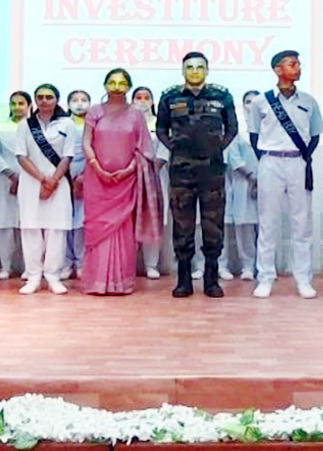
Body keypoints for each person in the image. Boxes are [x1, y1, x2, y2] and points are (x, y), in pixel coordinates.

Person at [156, 52, 237, 298]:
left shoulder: (222, 96)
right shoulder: (170, 97)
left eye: (199, 67)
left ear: (207, 70)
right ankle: (184, 280)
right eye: (189, 67)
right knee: (182, 225)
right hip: (181, 172)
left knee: (213, 225)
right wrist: (175, 148)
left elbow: (232, 128)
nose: (194, 71)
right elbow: (161, 128)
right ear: (183, 71)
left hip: (212, 171)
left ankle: (212, 280)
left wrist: (216, 148)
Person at [249, 50, 323, 299]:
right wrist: (268, 158)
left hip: (297, 162)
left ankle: (303, 278)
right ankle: (265, 278)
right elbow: (254, 136)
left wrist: (302, 157)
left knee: (301, 223)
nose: (298, 68)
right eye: (292, 64)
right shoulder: (261, 102)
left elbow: (315, 135)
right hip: (270, 161)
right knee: (267, 222)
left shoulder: (309, 101)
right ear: (278, 69)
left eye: (299, 64)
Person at [81, 68, 162, 295]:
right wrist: (97, 167)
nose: (116, 88)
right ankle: (97, 281)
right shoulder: (94, 112)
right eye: (112, 83)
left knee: (123, 231)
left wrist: (129, 170)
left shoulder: (136, 115)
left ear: (128, 87)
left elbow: (144, 148)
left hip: (126, 183)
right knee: (98, 230)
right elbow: (86, 142)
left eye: (122, 83)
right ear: (105, 85)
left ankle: (120, 282)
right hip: (97, 180)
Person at [15, 84, 76, 295]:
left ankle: (53, 276)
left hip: (58, 183)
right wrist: (42, 179)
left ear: (56, 100)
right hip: (31, 182)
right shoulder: (25, 125)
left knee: (56, 230)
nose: (44, 101)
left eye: (49, 97)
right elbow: (21, 156)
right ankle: (33, 276)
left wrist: (53, 181)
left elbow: (68, 156)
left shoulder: (67, 124)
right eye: (40, 97)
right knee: (30, 229)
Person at [0, 91, 32, 280]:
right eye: (13, 103)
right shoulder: (0, 127)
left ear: (29, 106)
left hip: (29, 178)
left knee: (27, 224)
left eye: (21, 103)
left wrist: (22, 177)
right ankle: (5, 267)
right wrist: (11, 175)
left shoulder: (34, 128)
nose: (17, 107)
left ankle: (28, 267)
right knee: (5, 223)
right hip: (3, 180)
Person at [220, 90, 261, 281]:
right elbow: (234, 159)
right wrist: (252, 178)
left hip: (264, 183)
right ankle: (234, 266)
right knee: (233, 225)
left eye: (255, 101)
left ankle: (256, 266)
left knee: (256, 226)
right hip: (239, 182)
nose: (251, 105)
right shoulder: (236, 130)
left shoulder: (269, 128)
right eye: (247, 102)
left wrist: (260, 181)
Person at [133, 87, 167, 280]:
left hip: (155, 176)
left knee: (153, 219)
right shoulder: (127, 122)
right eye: (138, 97)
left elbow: (164, 149)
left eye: (147, 97)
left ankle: (151, 265)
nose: (142, 101)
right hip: (130, 176)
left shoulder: (160, 123)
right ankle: (129, 263)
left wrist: (153, 168)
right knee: (131, 219)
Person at [65, 90, 91, 279]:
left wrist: (82, 177)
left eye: (84, 100)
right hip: (63, 174)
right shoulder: (63, 124)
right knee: (64, 221)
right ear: (68, 104)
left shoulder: (94, 124)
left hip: (86, 175)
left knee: (81, 222)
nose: (79, 104)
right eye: (75, 100)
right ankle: (66, 262)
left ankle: (82, 263)